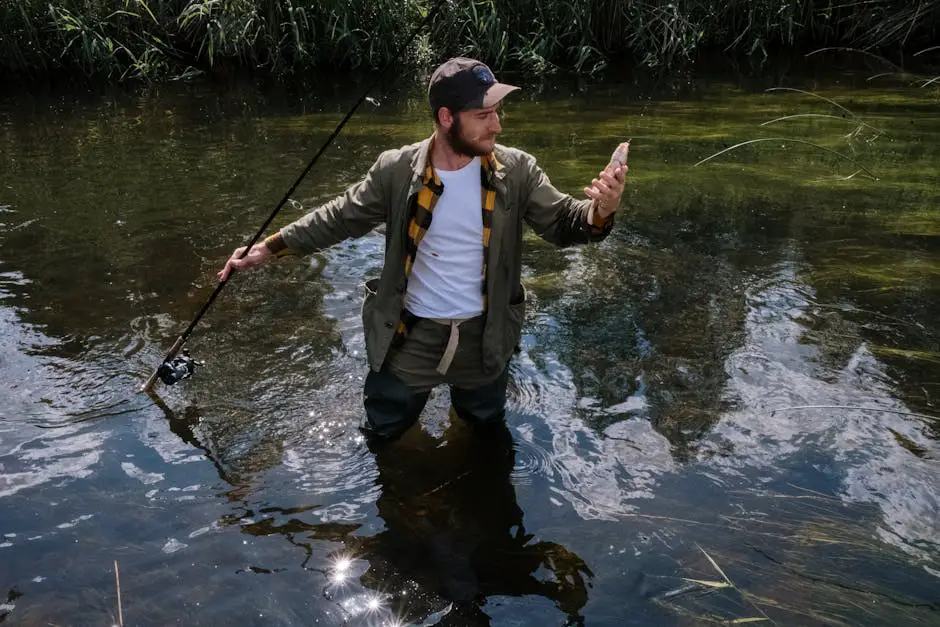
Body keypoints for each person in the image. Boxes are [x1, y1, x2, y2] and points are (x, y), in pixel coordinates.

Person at [218, 57, 627, 444]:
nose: (497, 125)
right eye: (484, 115)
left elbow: (563, 222)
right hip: (409, 337)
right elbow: (340, 216)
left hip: (485, 338)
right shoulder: (396, 169)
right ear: (446, 118)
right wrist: (269, 248)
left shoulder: (516, 171)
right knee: (384, 432)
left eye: (497, 113)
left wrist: (600, 209)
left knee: (482, 433)